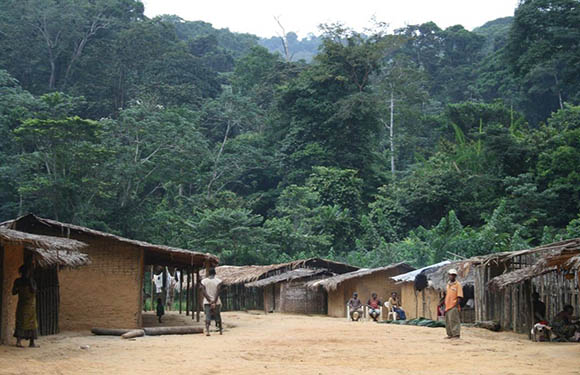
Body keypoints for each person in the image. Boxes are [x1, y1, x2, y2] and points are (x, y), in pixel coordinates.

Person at [12, 265, 39, 348]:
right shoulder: (20, 281)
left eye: (26, 272)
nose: (25, 274)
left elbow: (34, 291)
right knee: (22, 321)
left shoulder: (28, 281)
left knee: (30, 323)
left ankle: (31, 342)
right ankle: (20, 342)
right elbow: (13, 292)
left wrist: (29, 282)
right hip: (24, 304)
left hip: (29, 305)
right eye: (24, 272)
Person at [201, 268, 223, 336]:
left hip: (207, 302)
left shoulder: (204, 281)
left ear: (208, 273)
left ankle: (207, 331)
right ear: (215, 273)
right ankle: (220, 330)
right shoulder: (218, 281)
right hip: (217, 302)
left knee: (208, 316)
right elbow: (218, 292)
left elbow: (203, 292)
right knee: (218, 315)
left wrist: (209, 300)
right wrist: (214, 301)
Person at [444, 268, 463, 339]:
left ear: (455, 276)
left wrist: (456, 306)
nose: (452, 276)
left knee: (454, 321)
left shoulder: (458, 285)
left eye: (453, 275)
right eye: (451, 275)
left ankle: (456, 335)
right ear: (448, 275)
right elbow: (446, 295)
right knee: (448, 321)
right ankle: (450, 334)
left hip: (453, 306)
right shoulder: (448, 284)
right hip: (447, 306)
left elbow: (459, 297)